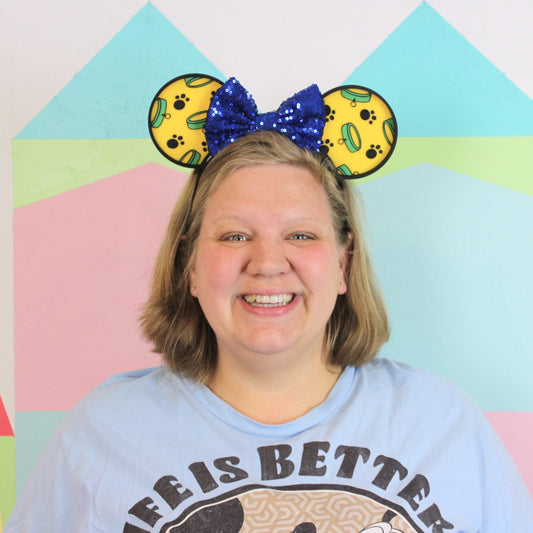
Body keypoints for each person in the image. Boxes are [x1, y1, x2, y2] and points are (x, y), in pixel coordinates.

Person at [5, 80, 533, 532]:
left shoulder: (442, 423)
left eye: (301, 235)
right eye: (234, 236)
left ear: (343, 263)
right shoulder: (101, 434)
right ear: (190, 265)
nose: (267, 263)